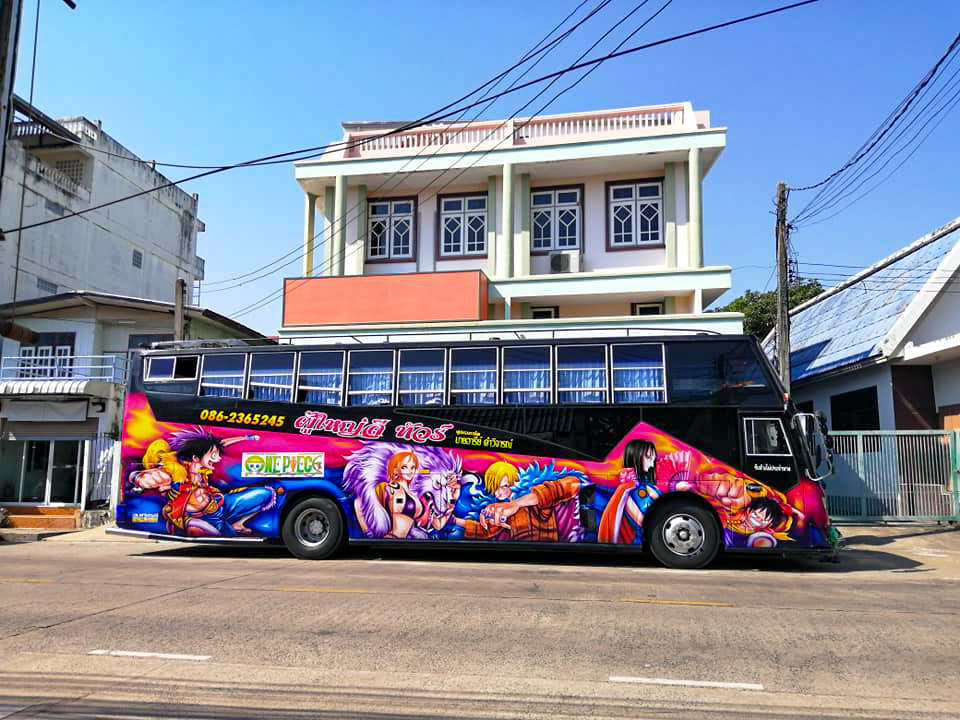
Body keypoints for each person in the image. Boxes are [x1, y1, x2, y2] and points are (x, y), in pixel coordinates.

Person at [130, 429, 274, 537]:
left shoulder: (202, 472)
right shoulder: (177, 471)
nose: (217, 459)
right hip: (196, 518)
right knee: (210, 533)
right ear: (196, 458)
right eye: (213, 455)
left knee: (266, 494)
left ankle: (238, 524)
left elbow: (222, 443)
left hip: (219, 508)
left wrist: (245, 437)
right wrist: (137, 477)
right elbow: (153, 474)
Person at [455, 461, 583, 542]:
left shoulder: (534, 496)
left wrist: (516, 504)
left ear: (514, 482)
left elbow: (573, 484)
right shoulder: (503, 508)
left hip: (544, 549)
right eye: (495, 488)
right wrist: (453, 520)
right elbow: (484, 530)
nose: (498, 493)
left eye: (504, 486)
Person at [597, 440, 661, 545]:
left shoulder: (644, 483)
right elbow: (641, 519)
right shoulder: (629, 487)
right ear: (635, 456)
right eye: (648, 457)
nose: (652, 464)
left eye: (653, 459)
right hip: (639, 540)